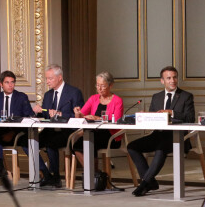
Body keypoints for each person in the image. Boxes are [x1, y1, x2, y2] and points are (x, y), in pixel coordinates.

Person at [128, 66, 194, 196]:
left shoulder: (186, 96)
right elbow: (153, 118)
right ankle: (151, 181)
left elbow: (190, 118)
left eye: (174, 77)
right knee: (132, 147)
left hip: (177, 136)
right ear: (162, 81)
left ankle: (144, 184)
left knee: (160, 148)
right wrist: (144, 115)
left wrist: (172, 112)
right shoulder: (156, 97)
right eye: (168, 78)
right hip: (158, 134)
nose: (172, 80)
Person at [30, 64, 85, 187]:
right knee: (27, 142)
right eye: (46, 79)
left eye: (50, 79)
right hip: (50, 130)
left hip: (68, 131)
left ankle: (55, 177)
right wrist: (37, 112)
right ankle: (46, 174)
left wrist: (60, 114)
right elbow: (45, 117)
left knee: (50, 143)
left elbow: (79, 114)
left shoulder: (74, 92)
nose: (47, 82)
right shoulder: (48, 95)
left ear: (59, 77)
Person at [72, 71, 124, 168]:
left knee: (91, 143)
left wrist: (98, 118)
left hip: (111, 135)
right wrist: (77, 113)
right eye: (97, 85)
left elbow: (116, 122)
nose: (99, 88)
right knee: (77, 146)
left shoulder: (117, 100)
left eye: (103, 86)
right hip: (93, 132)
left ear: (111, 85)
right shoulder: (93, 98)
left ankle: (94, 177)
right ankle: (94, 175)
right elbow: (80, 116)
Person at [0, 71, 34, 177]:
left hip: (17, 133)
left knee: (27, 142)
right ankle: (1, 167)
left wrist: (13, 132)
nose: (10, 85)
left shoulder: (21, 97)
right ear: (1, 84)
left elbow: (28, 116)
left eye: (12, 82)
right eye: (7, 82)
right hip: (0, 133)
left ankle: (43, 172)